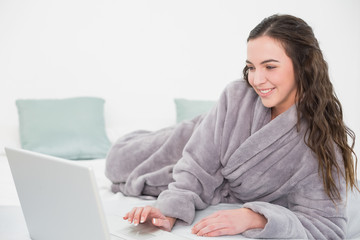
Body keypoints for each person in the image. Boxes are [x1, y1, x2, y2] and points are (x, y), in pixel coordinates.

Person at [105, 14, 359, 239]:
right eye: (251, 67)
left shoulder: (322, 142)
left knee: (127, 171)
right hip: (198, 137)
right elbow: (196, 165)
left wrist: (255, 217)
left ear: (303, 66)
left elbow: (326, 228)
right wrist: (169, 211)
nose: (257, 80)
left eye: (270, 66)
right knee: (117, 160)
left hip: (216, 169)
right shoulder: (237, 95)